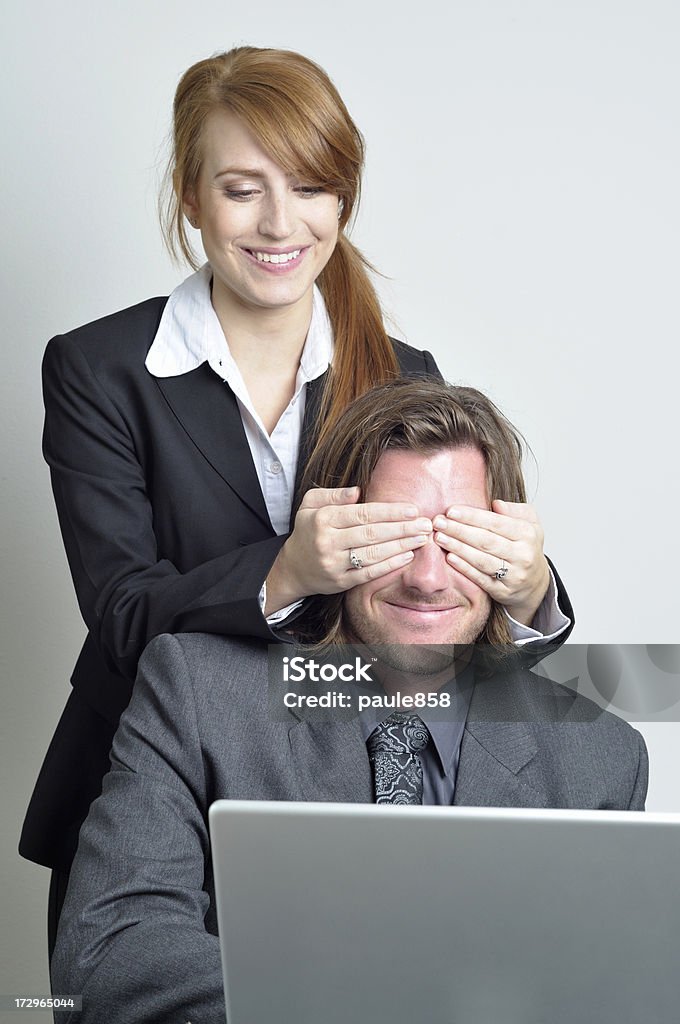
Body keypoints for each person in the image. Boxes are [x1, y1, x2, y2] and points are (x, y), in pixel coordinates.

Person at [20, 47, 571, 947]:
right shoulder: (99, 370)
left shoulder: (402, 373)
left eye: (312, 186)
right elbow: (122, 613)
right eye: (242, 189)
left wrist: (530, 586)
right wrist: (284, 572)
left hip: (333, 791)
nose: (282, 221)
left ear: (343, 199)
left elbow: (437, 597)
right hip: (147, 791)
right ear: (191, 198)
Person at [51, 380, 645, 1024]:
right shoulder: (195, 696)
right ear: (332, 539)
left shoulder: (603, 759)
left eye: (461, 540)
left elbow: (609, 994)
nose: (427, 578)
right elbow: (106, 960)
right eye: (393, 535)